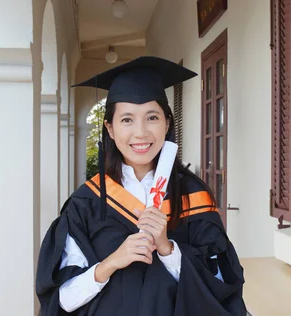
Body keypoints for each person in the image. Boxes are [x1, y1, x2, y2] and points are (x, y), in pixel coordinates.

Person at [36, 56, 247, 316]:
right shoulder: (86, 203)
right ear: (109, 129)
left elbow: (222, 286)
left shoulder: (193, 196)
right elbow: (63, 300)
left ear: (167, 123)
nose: (141, 133)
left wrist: (168, 249)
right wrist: (111, 263)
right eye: (127, 120)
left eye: (152, 117)